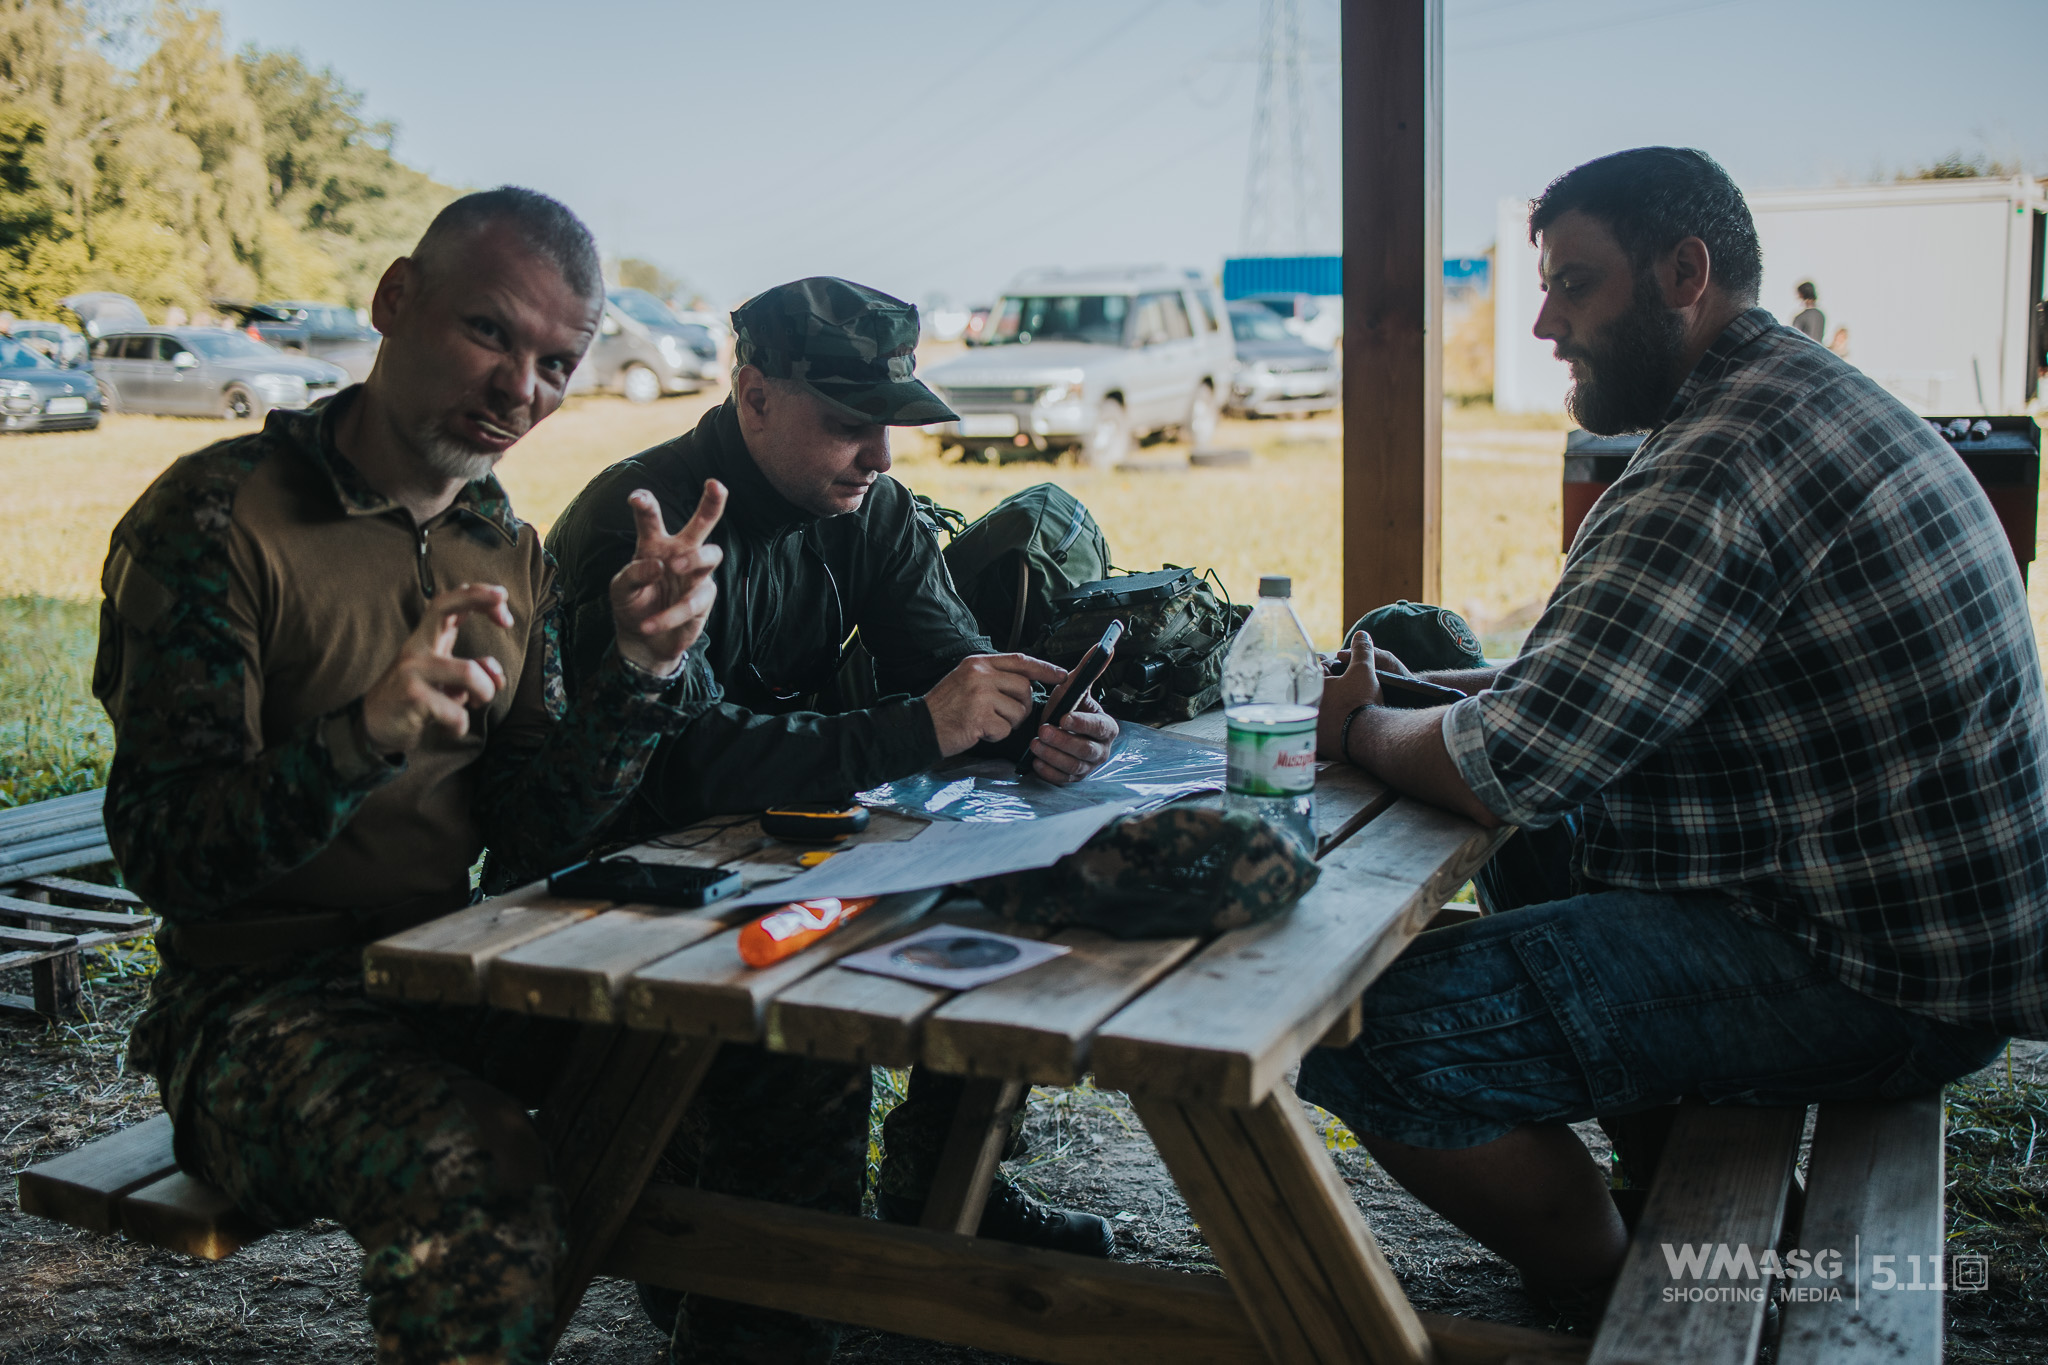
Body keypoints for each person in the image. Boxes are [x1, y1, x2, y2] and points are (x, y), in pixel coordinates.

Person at [1305, 147, 2047, 1316]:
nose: (1542, 324)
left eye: (1572, 284)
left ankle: (1627, 1296)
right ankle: (1659, 1186)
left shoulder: (1717, 461)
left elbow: (1507, 769)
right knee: (1536, 838)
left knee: (1352, 1023)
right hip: (1898, 922)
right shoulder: (1779, 399)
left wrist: (1356, 732)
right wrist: (1427, 691)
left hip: (1882, 981)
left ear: (1682, 274)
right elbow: (1600, 685)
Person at [94, 187, 728, 1364]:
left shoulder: (503, 547)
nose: (518, 389)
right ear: (394, 300)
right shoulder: (217, 518)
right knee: (470, 1171)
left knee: (722, 1064)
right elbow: (163, 853)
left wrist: (641, 669)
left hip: (452, 967)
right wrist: (364, 735)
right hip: (248, 1009)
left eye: (556, 363)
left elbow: (533, 829)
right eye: (489, 332)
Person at [546, 275, 1123, 1360]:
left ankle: (939, 1191)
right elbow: (674, 765)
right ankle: (745, 1304)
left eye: (891, 424)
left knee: (1028, 886)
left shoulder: (870, 510)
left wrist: (1032, 727)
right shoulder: (647, 523)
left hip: (784, 854)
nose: (881, 456)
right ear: (754, 395)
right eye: (851, 423)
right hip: (625, 889)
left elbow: (950, 673)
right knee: (802, 1051)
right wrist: (922, 727)